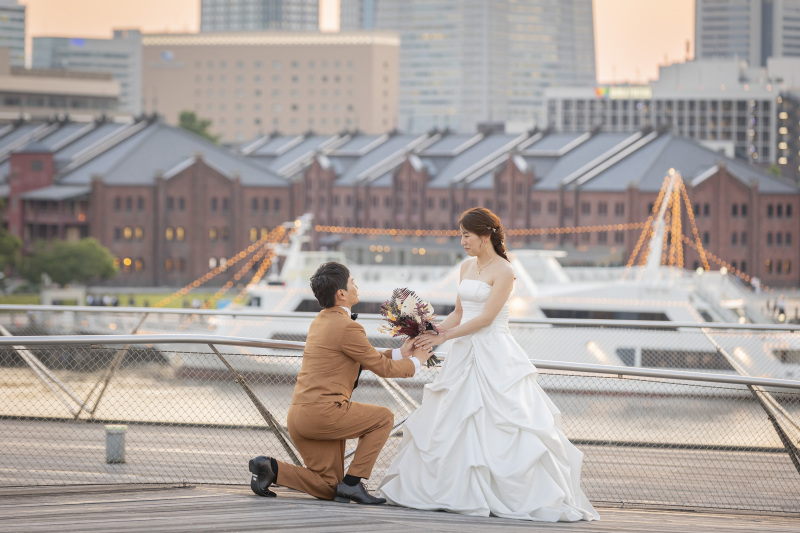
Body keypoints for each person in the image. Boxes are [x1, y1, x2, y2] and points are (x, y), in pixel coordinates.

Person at [376, 207, 599, 522]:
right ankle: (448, 490)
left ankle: (506, 494)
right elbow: (459, 312)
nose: (463, 241)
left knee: (501, 421)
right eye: (461, 235)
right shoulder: (466, 267)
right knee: (452, 419)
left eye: (467, 235)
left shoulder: (505, 271)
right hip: (464, 352)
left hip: (494, 352)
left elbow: (485, 318)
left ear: (486, 235)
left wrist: (445, 338)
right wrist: (429, 332)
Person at [248, 262, 433, 504]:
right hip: (325, 414)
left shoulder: (321, 321)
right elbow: (381, 367)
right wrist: (418, 362)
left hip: (301, 417)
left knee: (328, 487)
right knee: (384, 418)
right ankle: (354, 483)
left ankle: (270, 468)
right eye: (352, 281)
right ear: (341, 294)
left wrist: (402, 353)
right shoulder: (348, 326)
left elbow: (365, 358)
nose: (356, 285)